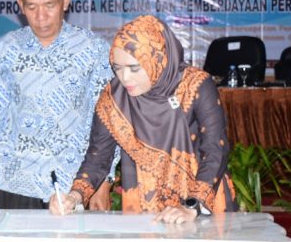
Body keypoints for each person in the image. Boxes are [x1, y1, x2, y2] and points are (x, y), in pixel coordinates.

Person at [49, 15, 236, 224]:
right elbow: (98, 157)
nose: (125, 78)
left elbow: (215, 150)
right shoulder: (114, 98)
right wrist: (74, 197)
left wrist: (192, 205)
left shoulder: (196, 85)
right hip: (144, 206)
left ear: (156, 58)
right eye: (118, 68)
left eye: (134, 68)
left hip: (200, 205)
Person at [0, 0, 117, 211]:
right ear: (20, 5)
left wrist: (103, 181)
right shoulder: (6, 49)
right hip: (16, 182)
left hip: (74, 184)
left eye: (49, 5)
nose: (41, 17)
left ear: (65, 1)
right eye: (32, 7)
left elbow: (108, 120)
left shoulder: (93, 49)